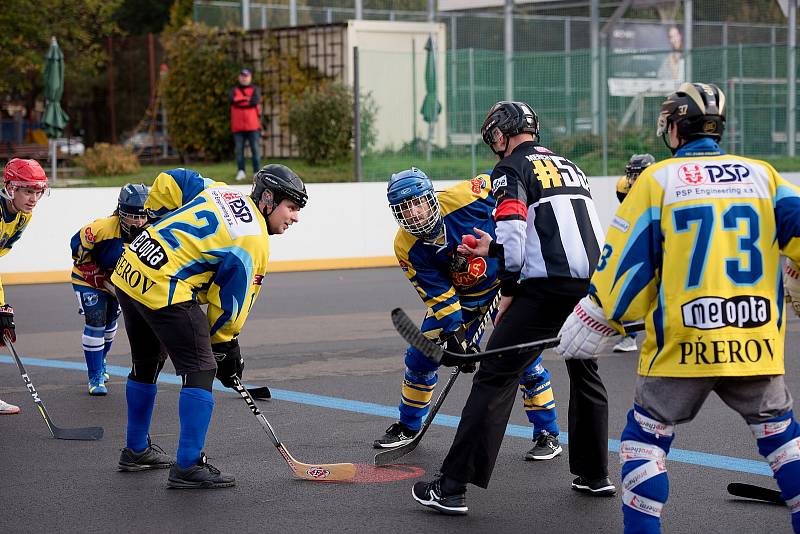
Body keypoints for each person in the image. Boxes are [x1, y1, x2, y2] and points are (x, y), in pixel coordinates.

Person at [556, 82, 800, 534]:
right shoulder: (763, 175)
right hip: (756, 339)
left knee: (644, 441)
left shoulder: (658, 179)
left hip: (681, 342)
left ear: (675, 127)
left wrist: (597, 314)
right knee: (784, 440)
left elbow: (625, 261)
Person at [411, 101, 610, 516]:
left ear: (504, 132)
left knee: (495, 377)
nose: (493, 145)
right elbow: (563, 227)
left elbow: (517, 237)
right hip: (588, 284)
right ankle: (594, 475)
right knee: (584, 370)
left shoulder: (511, 170)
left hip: (544, 287)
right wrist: (494, 248)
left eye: (493, 137)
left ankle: (450, 487)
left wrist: (508, 288)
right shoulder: (570, 165)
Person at [111, 165, 307, 488]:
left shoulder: (220, 190)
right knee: (201, 368)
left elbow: (170, 181)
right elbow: (229, 306)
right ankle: (188, 464)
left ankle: (136, 449)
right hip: (163, 286)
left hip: (132, 266)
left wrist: (156, 222)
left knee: (146, 362)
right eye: (292, 207)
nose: (295, 217)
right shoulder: (253, 239)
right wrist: (224, 348)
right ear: (269, 200)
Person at [375, 167, 562, 461]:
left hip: (508, 285)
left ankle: (547, 434)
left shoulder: (468, 196)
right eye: (404, 209)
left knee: (524, 359)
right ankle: (408, 426)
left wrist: (518, 248)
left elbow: (506, 181)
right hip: (463, 301)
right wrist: (456, 335)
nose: (414, 214)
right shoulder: (405, 246)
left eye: (418, 203)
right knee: (420, 357)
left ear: (430, 197)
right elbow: (438, 293)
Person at [70, 183, 149, 396]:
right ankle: (94, 375)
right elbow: (76, 245)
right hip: (89, 281)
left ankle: (101, 360)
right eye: (133, 216)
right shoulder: (101, 229)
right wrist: (90, 270)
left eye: (143, 216)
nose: (139, 222)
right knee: (96, 320)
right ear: (121, 213)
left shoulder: (152, 231)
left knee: (110, 322)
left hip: (119, 283)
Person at [0, 159, 49, 415]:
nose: (33, 198)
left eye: (38, 191)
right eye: (27, 191)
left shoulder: (22, 217)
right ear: (10, 188)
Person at [612, 153, 655, 353]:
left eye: (638, 175)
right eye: (632, 174)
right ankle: (629, 337)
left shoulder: (659, 187)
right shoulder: (623, 186)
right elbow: (628, 212)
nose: (633, 180)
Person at [229, 68, 262, 181]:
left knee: (255, 150)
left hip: (253, 126)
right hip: (238, 127)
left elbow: (254, 101)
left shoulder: (255, 89)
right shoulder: (233, 90)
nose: (244, 78)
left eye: (246, 76)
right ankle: (241, 171)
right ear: (239, 77)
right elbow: (233, 100)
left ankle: (256, 172)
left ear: (250, 77)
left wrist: (241, 100)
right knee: (239, 151)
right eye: (242, 76)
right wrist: (247, 100)